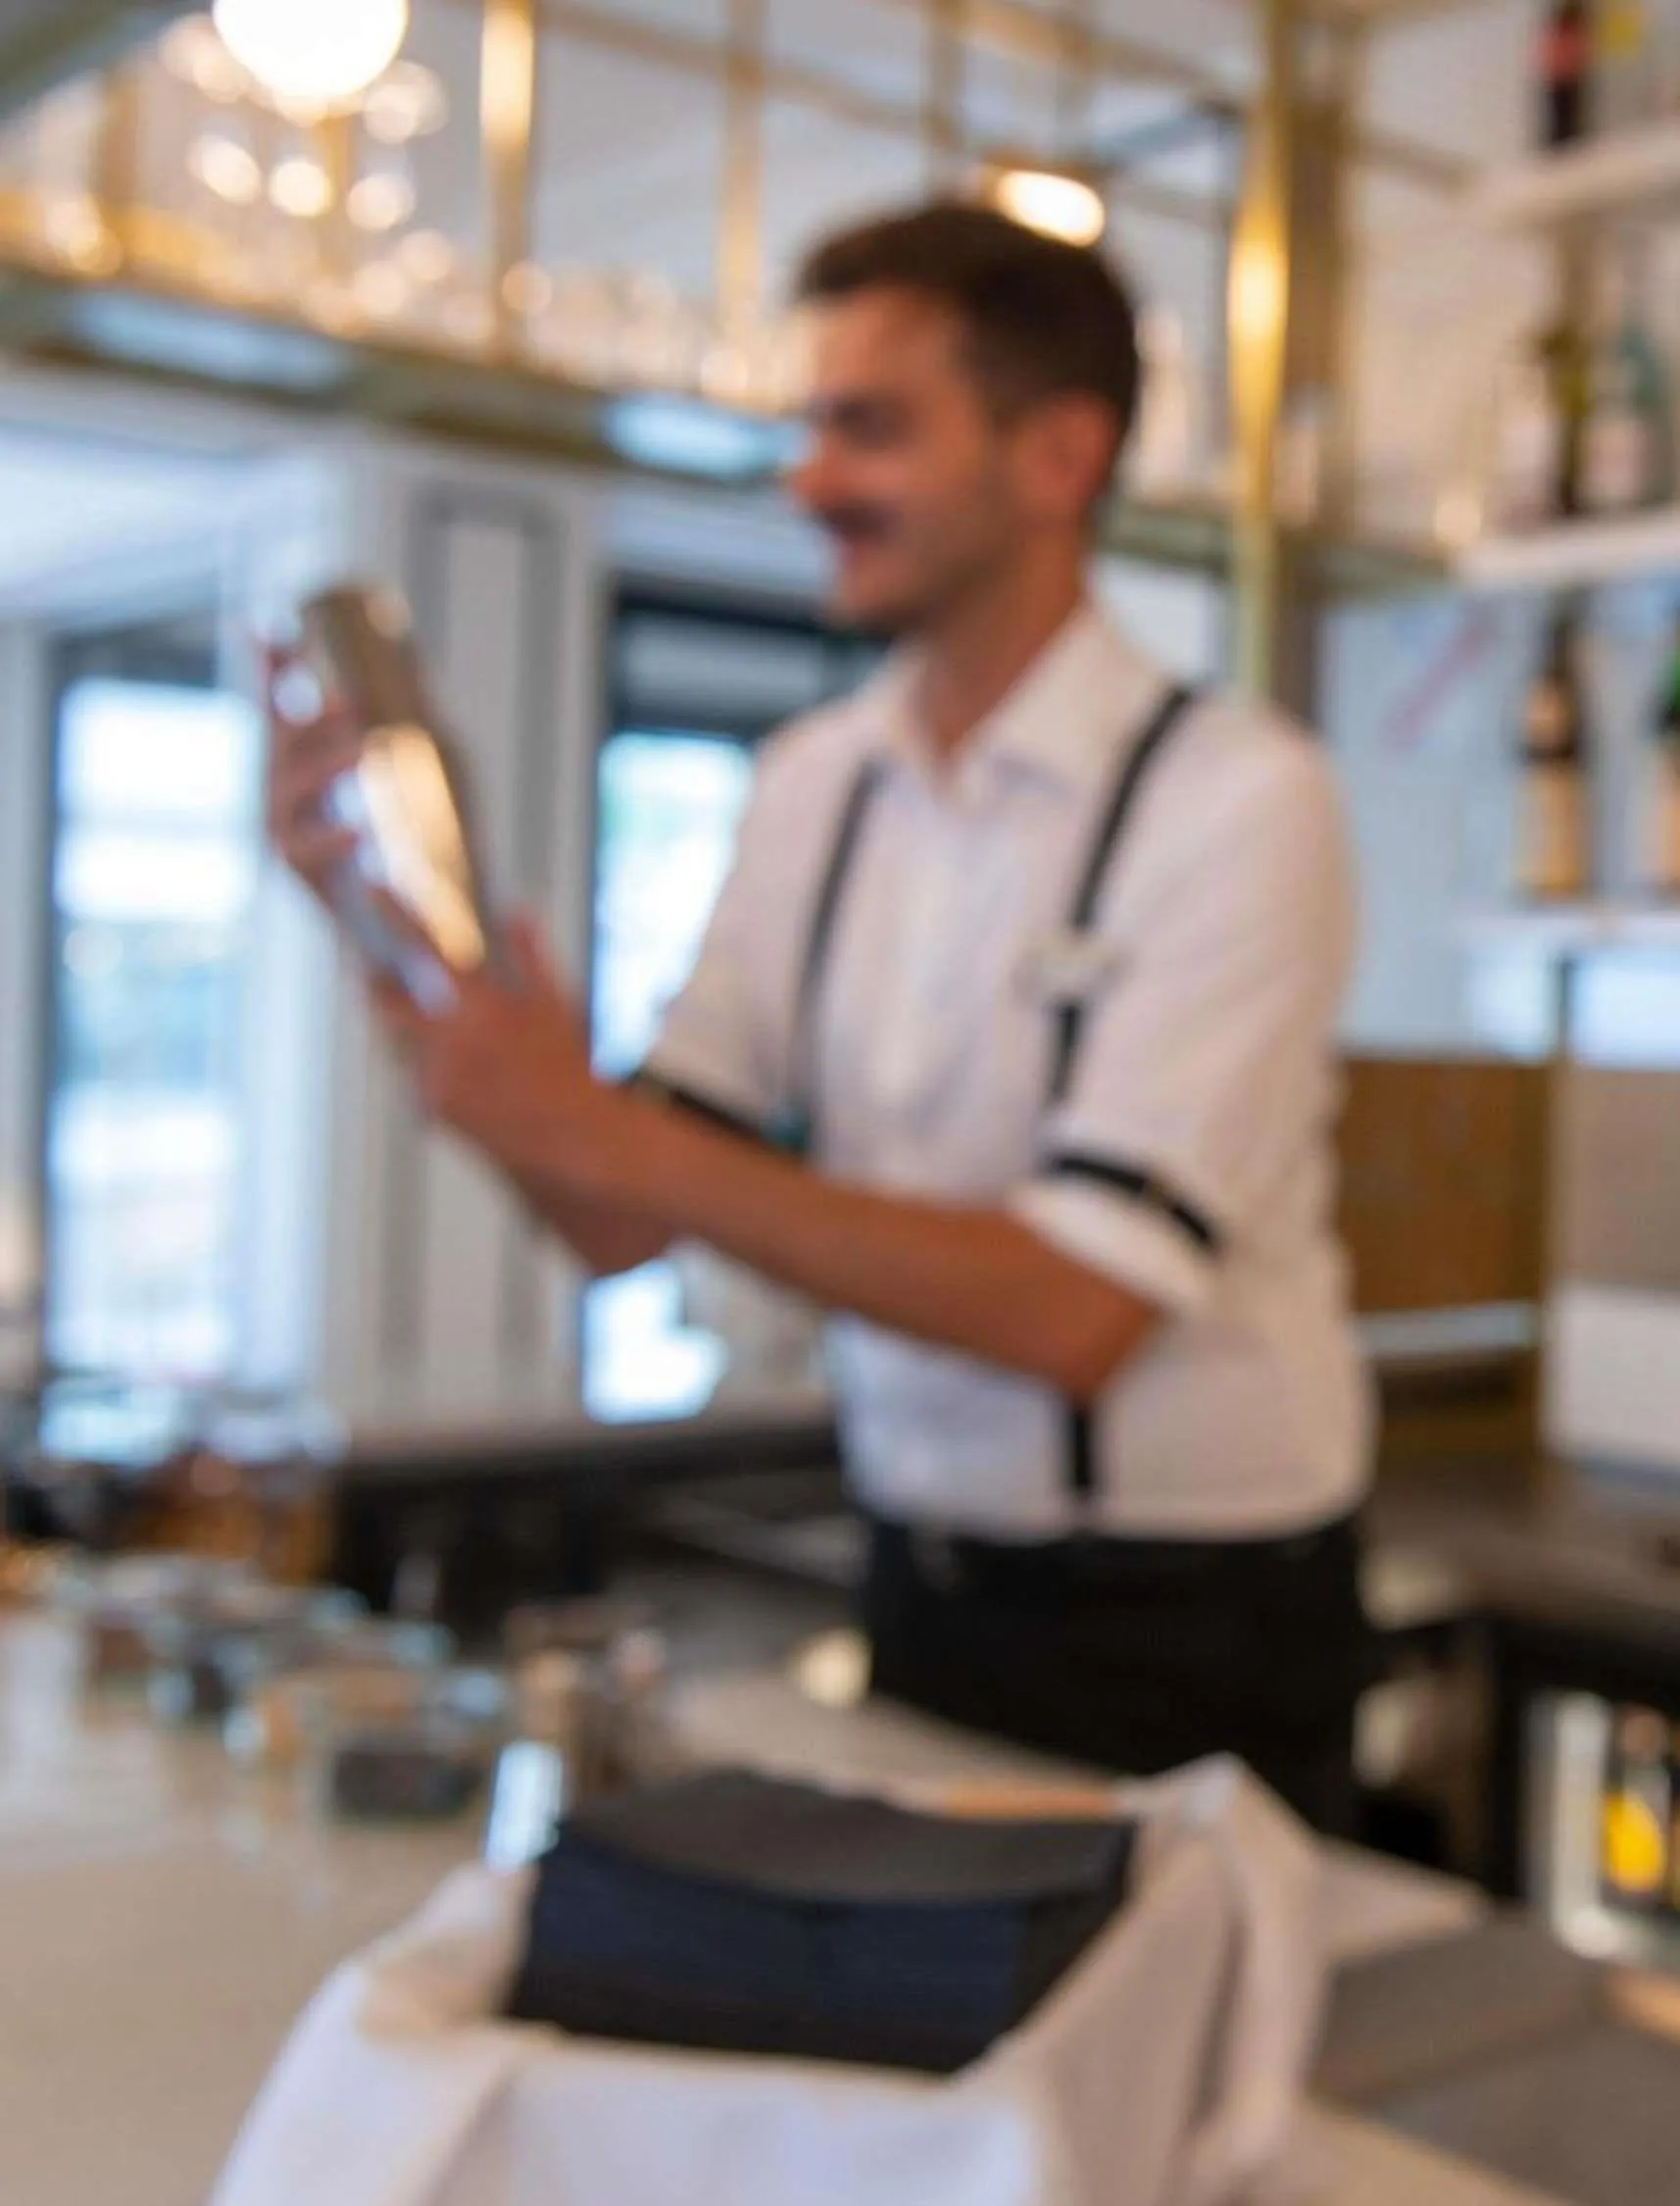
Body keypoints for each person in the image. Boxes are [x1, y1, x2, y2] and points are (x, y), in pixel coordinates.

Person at [263, 201, 1376, 1831]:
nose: (810, 480)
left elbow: (1080, 1304)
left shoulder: (1240, 800)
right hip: (918, 1582)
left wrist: (603, 1127)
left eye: (869, 427)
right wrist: (397, 940)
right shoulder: (814, 785)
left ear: (1059, 455)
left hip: (1198, 1620)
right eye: (809, 425)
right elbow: (615, 1218)